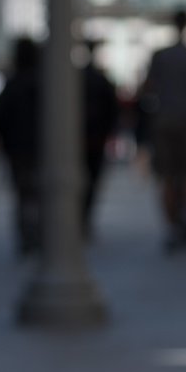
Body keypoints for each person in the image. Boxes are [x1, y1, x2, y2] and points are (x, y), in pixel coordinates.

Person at [140, 10, 186, 252]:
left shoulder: (159, 56)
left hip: (163, 120)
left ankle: (171, 227)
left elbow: (147, 87)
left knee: (166, 177)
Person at [0, 38, 41, 256]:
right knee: (38, 193)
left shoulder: (13, 83)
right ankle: (35, 235)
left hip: (18, 149)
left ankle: (27, 237)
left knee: (23, 195)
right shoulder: (42, 82)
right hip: (37, 148)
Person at [80, 44, 119, 237]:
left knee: (83, 181)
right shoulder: (100, 80)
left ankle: (81, 218)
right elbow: (112, 111)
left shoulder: (79, 79)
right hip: (94, 138)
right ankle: (84, 218)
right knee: (91, 182)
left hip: (85, 138)